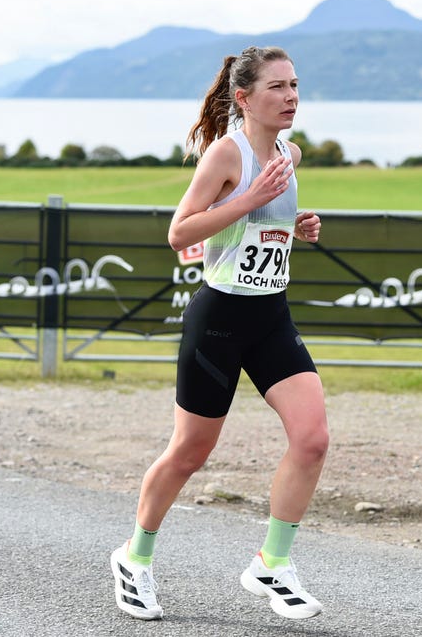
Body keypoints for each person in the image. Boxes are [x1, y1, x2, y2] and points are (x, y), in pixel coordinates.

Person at [109, 46, 329, 621]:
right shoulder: (225, 156)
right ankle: (135, 557)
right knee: (190, 451)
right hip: (220, 320)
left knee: (312, 438)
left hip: (271, 317)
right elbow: (180, 233)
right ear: (244, 98)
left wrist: (296, 225)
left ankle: (272, 563)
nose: (291, 97)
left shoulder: (290, 152)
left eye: (295, 85)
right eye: (278, 87)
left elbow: (265, 227)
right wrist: (250, 199)